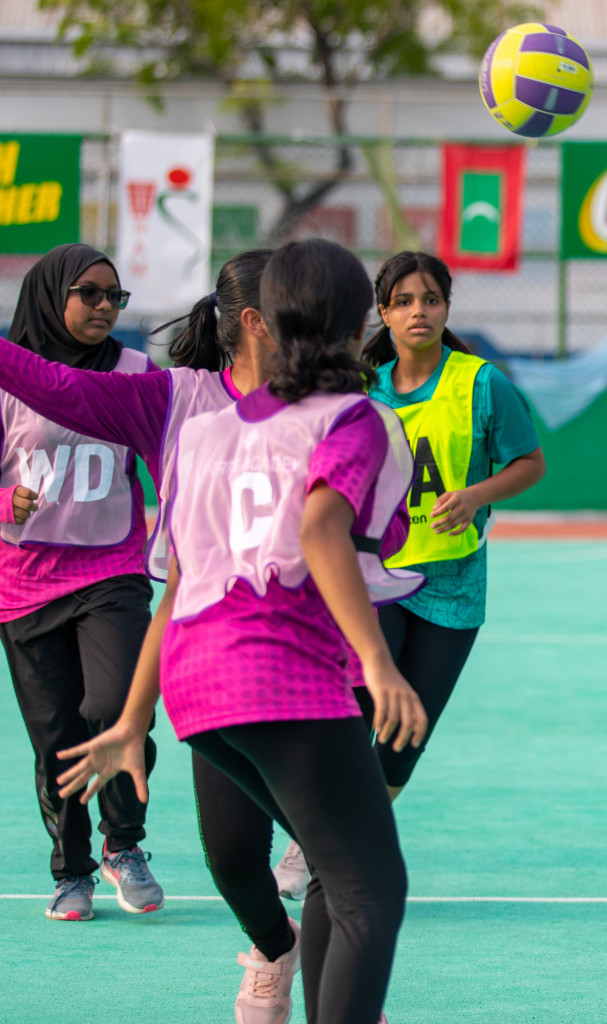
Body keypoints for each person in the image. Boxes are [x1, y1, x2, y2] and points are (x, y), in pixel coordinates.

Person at [57, 238, 429, 1024]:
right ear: (358, 320)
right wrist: (379, 663)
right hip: (281, 675)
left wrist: (132, 717)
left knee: (335, 867)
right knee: (369, 887)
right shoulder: (351, 419)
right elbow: (326, 529)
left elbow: (184, 580)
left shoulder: (208, 434)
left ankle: (313, 985)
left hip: (197, 684)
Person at [265, 251, 545, 888]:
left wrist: (476, 495)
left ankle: (347, 835)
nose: (419, 311)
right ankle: (314, 844)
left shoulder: (481, 383)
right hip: (375, 578)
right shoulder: (360, 386)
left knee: (406, 734)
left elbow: (530, 464)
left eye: (431, 300)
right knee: (356, 709)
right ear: (383, 312)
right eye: (404, 301)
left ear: (446, 307)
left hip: (453, 586)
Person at [0, 243, 162, 921]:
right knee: (57, 732)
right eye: (89, 293)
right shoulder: (10, 380)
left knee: (118, 705)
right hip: (24, 582)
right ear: (50, 295)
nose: (103, 307)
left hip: (111, 570)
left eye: (114, 297)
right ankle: (72, 871)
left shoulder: (136, 373)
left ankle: (123, 844)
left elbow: (176, 459)